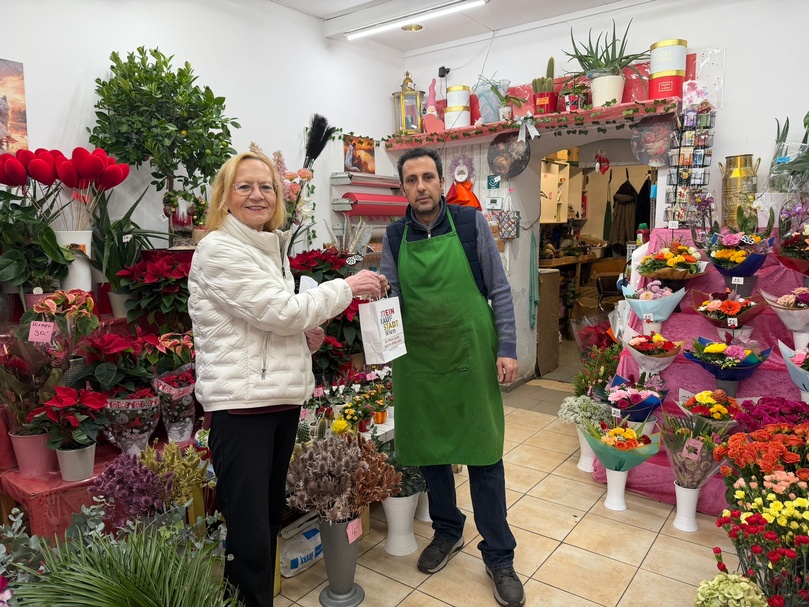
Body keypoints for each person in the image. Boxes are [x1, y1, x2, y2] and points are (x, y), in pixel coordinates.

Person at [188, 150, 388, 607]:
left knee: (265, 523)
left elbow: (262, 325)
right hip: (242, 409)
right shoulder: (218, 249)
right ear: (224, 197)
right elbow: (281, 312)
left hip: (276, 403)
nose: (257, 195)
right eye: (244, 186)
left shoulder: (266, 248)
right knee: (250, 538)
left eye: (266, 187)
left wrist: (303, 338)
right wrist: (347, 287)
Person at [380, 147, 524, 607]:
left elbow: (498, 288)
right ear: (403, 188)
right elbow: (389, 300)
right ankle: (447, 530)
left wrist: (507, 347)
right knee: (431, 450)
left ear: (441, 182)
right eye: (411, 180)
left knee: (483, 453)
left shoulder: (469, 224)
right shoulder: (394, 236)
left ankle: (499, 555)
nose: (420, 186)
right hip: (418, 361)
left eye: (428, 177)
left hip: (469, 354)